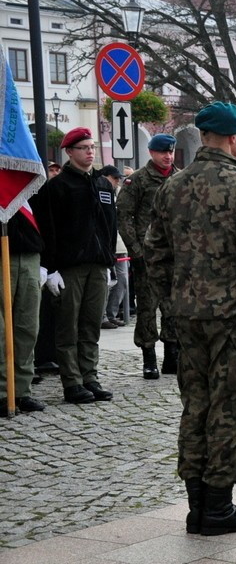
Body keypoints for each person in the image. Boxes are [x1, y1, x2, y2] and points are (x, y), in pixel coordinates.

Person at [145, 102, 236, 536]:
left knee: (195, 406)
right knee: (232, 408)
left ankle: (196, 506)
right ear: (235, 139)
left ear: (203, 136)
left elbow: (155, 253)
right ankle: (218, 508)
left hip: (188, 316)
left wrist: (172, 304)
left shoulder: (172, 186)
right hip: (232, 317)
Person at [31, 127, 117, 404]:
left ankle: (90, 376)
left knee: (91, 325)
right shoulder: (57, 187)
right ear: (70, 152)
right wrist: (50, 267)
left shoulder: (103, 185)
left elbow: (109, 227)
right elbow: (49, 229)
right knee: (69, 326)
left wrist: (110, 261)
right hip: (70, 267)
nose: (90, 152)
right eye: (83, 148)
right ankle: (72, 382)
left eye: (92, 147)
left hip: (98, 264)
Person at [116, 133, 180, 379]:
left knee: (173, 306)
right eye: (163, 152)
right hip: (148, 254)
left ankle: (172, 355)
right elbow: (124, 216)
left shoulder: (180, 177)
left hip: (175, 253)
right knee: (147, 306)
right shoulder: (138, 180)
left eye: (171, 152)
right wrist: (136, 249)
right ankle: (149, 356)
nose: (168, 156)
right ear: (152, 153)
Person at [0, 209, 46, 416]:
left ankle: (21, 389)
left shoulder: (30, 180)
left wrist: (49, 265)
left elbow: (48, 220)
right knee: (1, 331)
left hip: (29, 253)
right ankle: (3, 392)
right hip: (2, 253)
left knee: (28, 327)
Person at [98, 165, 128, 332]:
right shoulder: (100, 191)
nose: (117, 181)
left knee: (122, 281)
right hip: (106, 245)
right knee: (106, 283)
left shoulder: (118, 194)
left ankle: (112, 314)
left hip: (119, 244)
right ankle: (102, 315)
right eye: (114, 178)